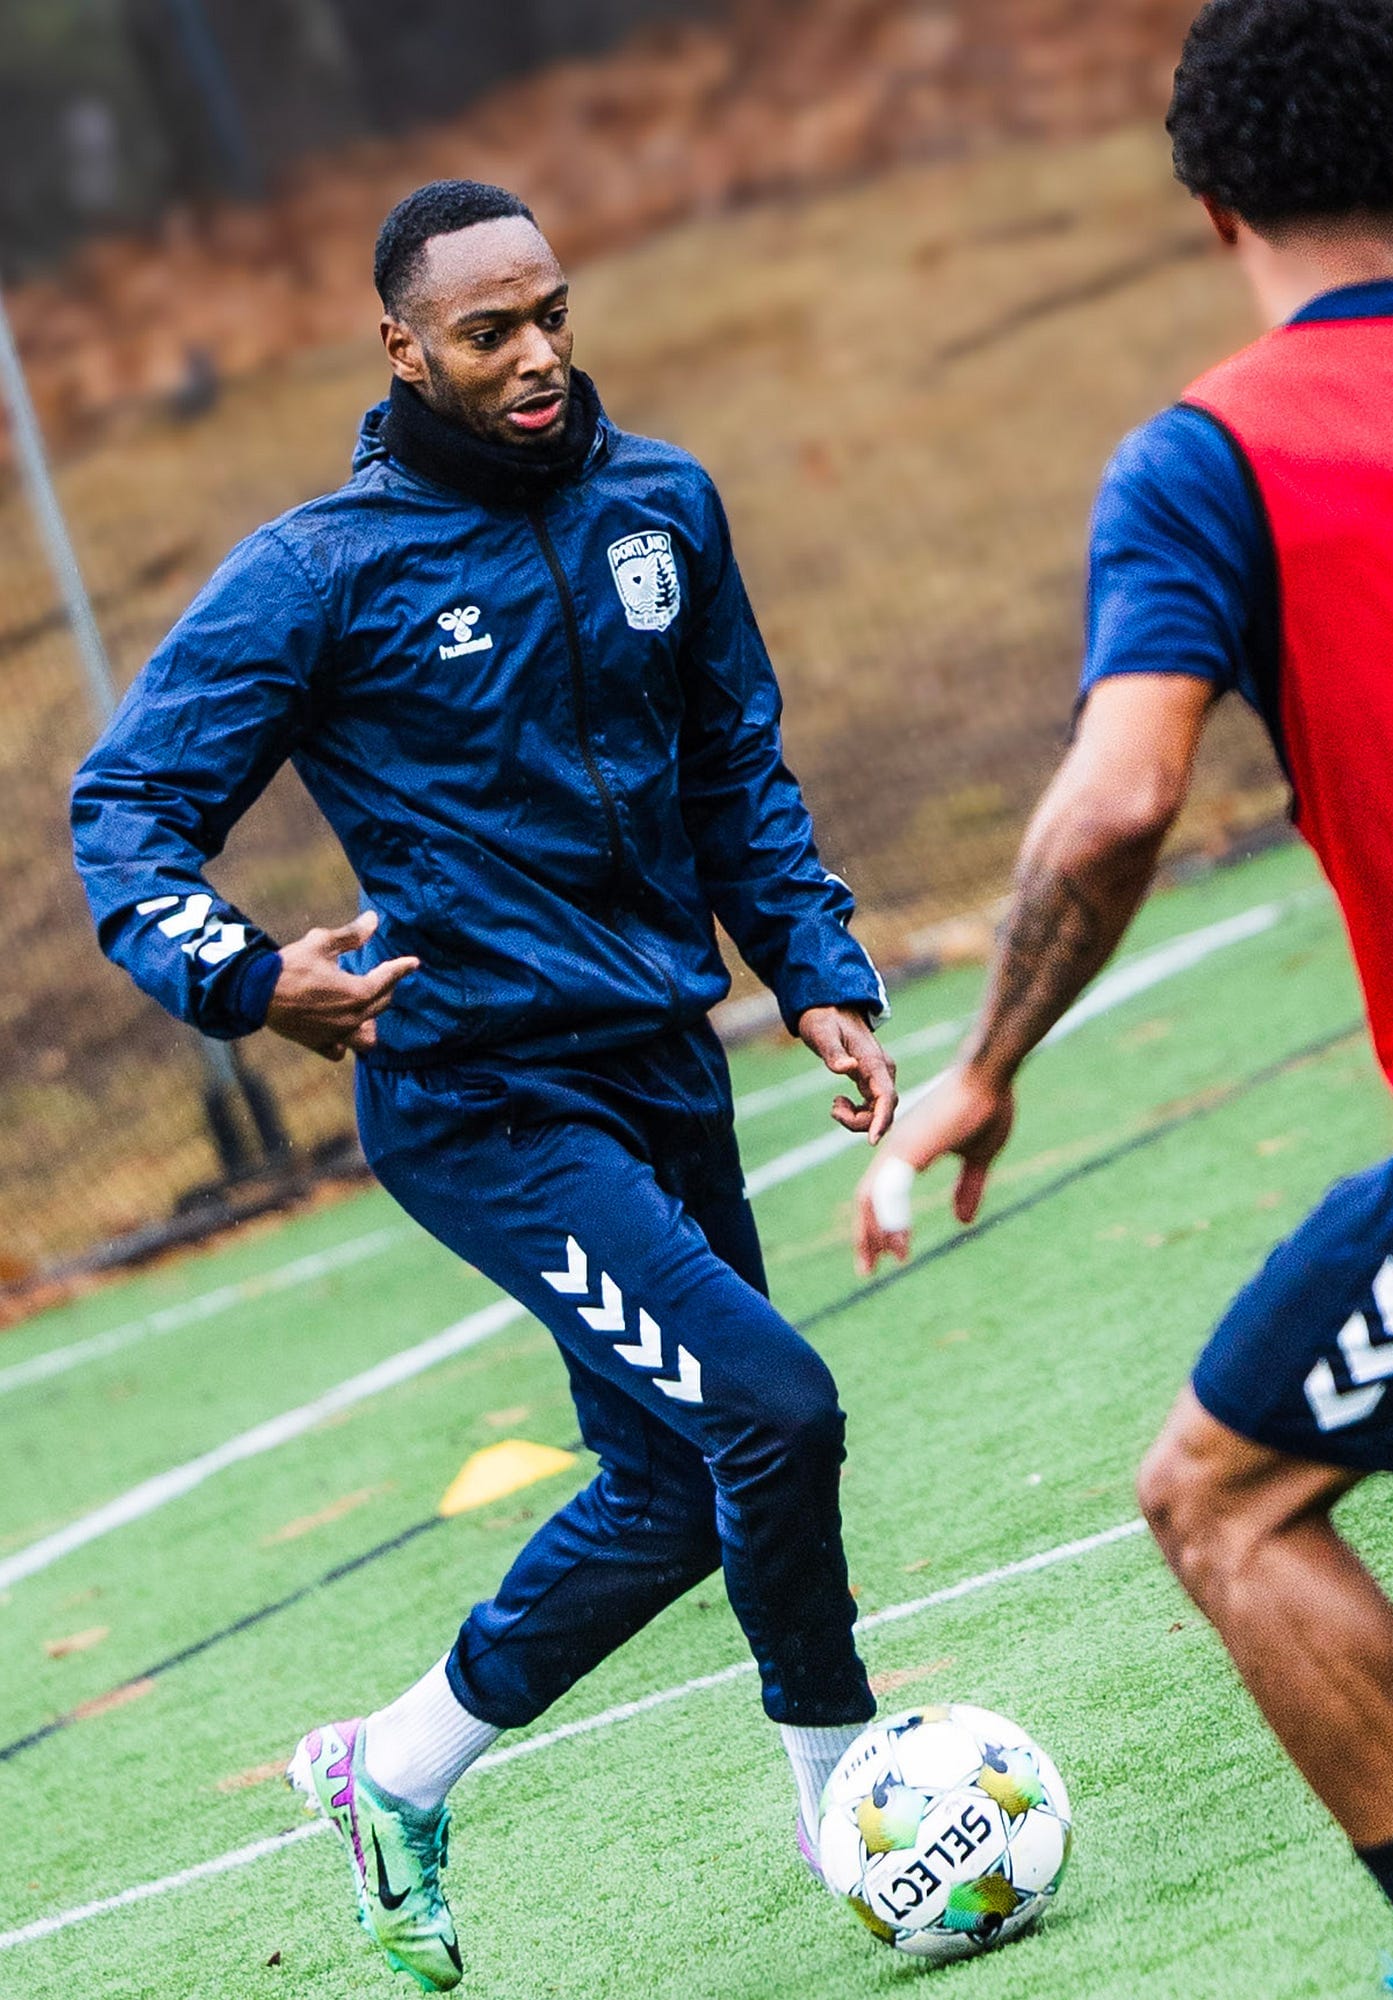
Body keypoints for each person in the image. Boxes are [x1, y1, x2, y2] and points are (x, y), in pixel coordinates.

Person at [72, 179, 897, 1992]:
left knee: (676, 1488)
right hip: (482, 1101)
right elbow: (124, 809)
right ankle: (852, 1803)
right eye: (487, 332)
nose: (535, 357)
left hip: (659, 1062)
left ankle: (390, 1772)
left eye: (551, 315)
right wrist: (245, 975)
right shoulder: (321, 574)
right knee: (774, 1409)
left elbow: (734, 765)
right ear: (403, 347)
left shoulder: (662, 503)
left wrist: (817, 972)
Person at [853, 4, 1393, 1996]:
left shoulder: (1202, 460)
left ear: (1208, 208)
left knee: (1221, 1500)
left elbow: (1115, 804)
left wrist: (984, 1064)